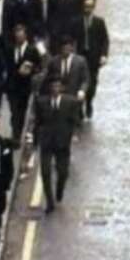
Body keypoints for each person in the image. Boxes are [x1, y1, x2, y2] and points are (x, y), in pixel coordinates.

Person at [33, 73, 80, 213]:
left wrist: (73, 135)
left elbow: (74, 121)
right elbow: (38, 122)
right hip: (46, 142)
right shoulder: (41, 102)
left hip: (62, 143)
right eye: (53, 86)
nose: (55, 89)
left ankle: (59, 189)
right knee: (45, 172)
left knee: (63, 172)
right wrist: (35, 141)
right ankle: (50, 202)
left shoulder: (70, 102)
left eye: (58, 86)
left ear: (62, 88)